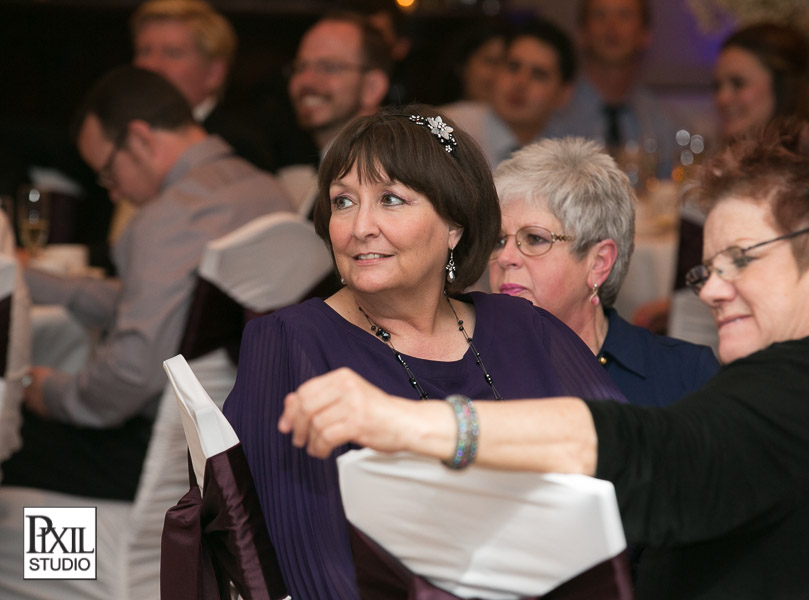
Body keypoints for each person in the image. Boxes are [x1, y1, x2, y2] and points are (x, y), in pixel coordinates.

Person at [281, 118, 809, 598]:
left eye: (742, 258)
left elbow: (647, 447)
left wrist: (404, 422)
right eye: (709, 266)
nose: (709, 288)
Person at [222, 105, 626, 600]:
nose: (359, 227)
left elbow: (630, 463)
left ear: (454, 225)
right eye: (343, 202)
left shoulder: (523, 327)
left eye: (391, 199)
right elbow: (316, 567)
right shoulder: (290, 344)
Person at [0, 66, 292, 500]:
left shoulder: (167, 217)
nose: (113, 194)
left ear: (138, 140)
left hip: (169, 459)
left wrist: (49, 391)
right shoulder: (266, 189)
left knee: (15, 446)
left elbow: (129, 376)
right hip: (253, 440)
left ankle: (64, 566)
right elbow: (181, 307)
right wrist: (37, 282)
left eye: (108, 174)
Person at [490, 137, 718, 407]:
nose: (504, 258)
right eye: (498, 240)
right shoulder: (468, 369)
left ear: (599, 263)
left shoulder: (684, 377)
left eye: (535, 239)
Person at [664, 22, 809, 348]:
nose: (723, 98)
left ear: (783, 87)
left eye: (738, 84)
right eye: (718, 85)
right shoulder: (711, 178)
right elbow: (692, 300)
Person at [131, 0, 275, 171]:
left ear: (214, 73)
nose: (151, 66)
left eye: (172, 53)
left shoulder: (236, 147)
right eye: (144, 51)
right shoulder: (125, 135)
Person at [546, 0, 676, 179]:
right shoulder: (551, 113)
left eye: (624, 15)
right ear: (581, 33)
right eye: (600, 15)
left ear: (645, 35)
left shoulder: (664, 123)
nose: (612, 26)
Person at [279, 11, 391, 214]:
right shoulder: (327, 168)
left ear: (372, 87)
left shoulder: (383, 180)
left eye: (329, 68)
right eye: (300, 67)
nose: (307, 81)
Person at [443, 17, 575, 171]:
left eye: (538, 75)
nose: (520, 83)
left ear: (563, 94)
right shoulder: (447, 130)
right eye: (513, 67)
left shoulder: (564, 156)